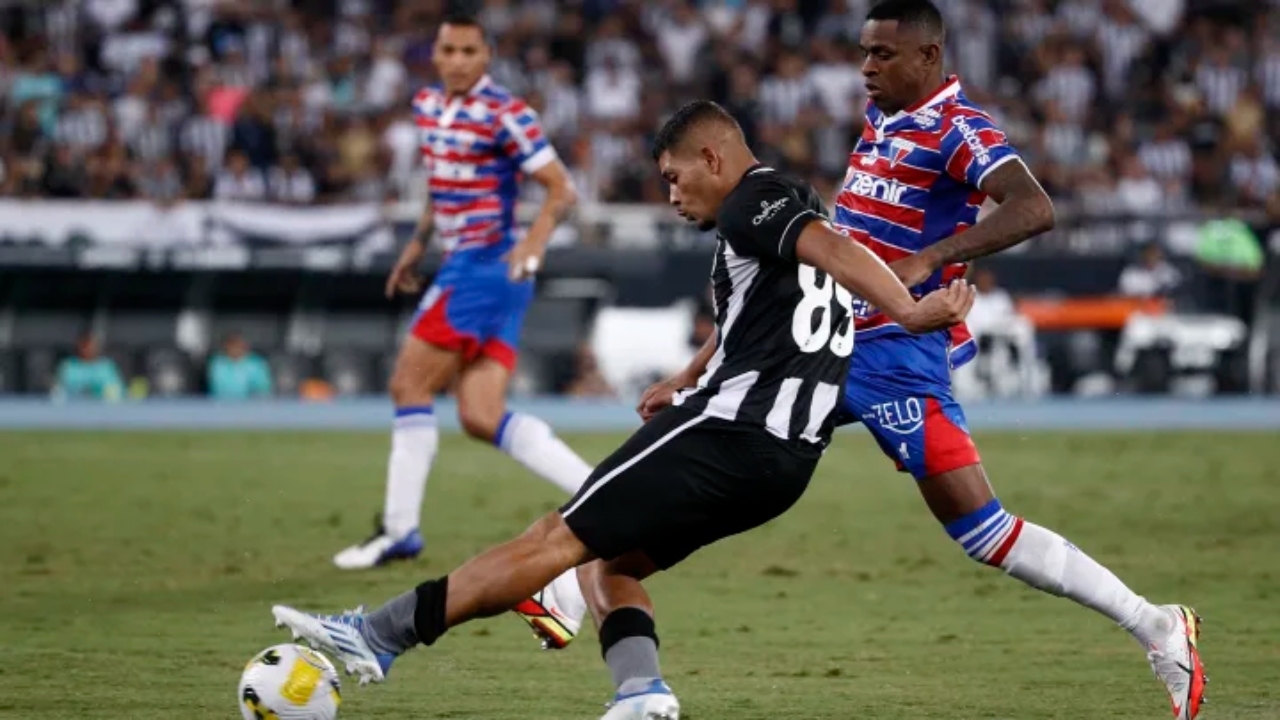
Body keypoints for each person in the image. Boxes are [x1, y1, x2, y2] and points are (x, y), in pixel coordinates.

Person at [517, 3, 1209, 719]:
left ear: (929, 56)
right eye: (863, 53)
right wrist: (696, 368)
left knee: (980, 528)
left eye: (883, 54)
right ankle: (581, 578)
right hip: (833, 338)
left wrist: (932, 259)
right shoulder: (881, 121)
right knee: (712, 440)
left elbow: (1034, 208)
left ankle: (1157, 625)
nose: (866, 68)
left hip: (895, 354)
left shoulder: (959, 128)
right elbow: (803, 274)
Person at [271, 99, 973, 719]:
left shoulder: (751, 205)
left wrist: (910, 312)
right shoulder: (795, 201)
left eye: (674, 176)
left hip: (730, 432)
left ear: (712, 157)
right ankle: (641, 695)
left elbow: (840, 252)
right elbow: (768, 308)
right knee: (608, 566)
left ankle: (377, 635)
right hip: (786, 463)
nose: (670, 195)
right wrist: (689, 372)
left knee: (553, 538)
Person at [331, 14, 595, 570]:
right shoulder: (428, 105)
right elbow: (440, 181)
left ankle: (399, 531)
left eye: (468, 51)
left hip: (484, 266)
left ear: (486, 55)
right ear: (435, 53)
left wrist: (534, 241)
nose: (456, 61)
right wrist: (417, 243)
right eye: (448, 50)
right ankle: (603, 495)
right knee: (480, 413)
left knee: (408, 383)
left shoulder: (506, 112)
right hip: (472, 267)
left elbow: (561, 188)